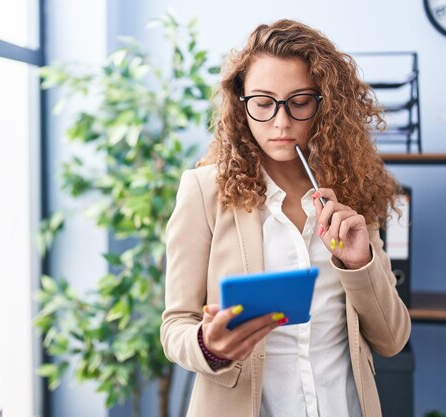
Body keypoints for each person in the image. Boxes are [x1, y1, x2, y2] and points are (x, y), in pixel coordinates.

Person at [160, 19, 411, 417]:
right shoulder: (203, 191)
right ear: (241, 106)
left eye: (299, 102)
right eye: (263, 102)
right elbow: (175, 327)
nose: (281, 122)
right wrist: (209, 345)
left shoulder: (352, 192)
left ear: (324, 104)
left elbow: (392, 339)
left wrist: (359, 264)